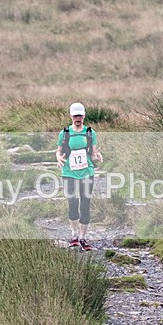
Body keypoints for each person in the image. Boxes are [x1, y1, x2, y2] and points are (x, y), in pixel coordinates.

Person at [56, 102, 103, 251]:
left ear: (84, 116)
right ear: (71, 116)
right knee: (72, 203)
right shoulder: (64, 133)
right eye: (75, 115)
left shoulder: (90, 133)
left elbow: (93, 153)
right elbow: (58, 151)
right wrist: (58, 157)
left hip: (86, 172)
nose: (78, 118)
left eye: (80, 115)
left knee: (85, 203)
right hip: (69, 172)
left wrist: (97, 156)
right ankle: (74, 234)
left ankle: (83, 238)